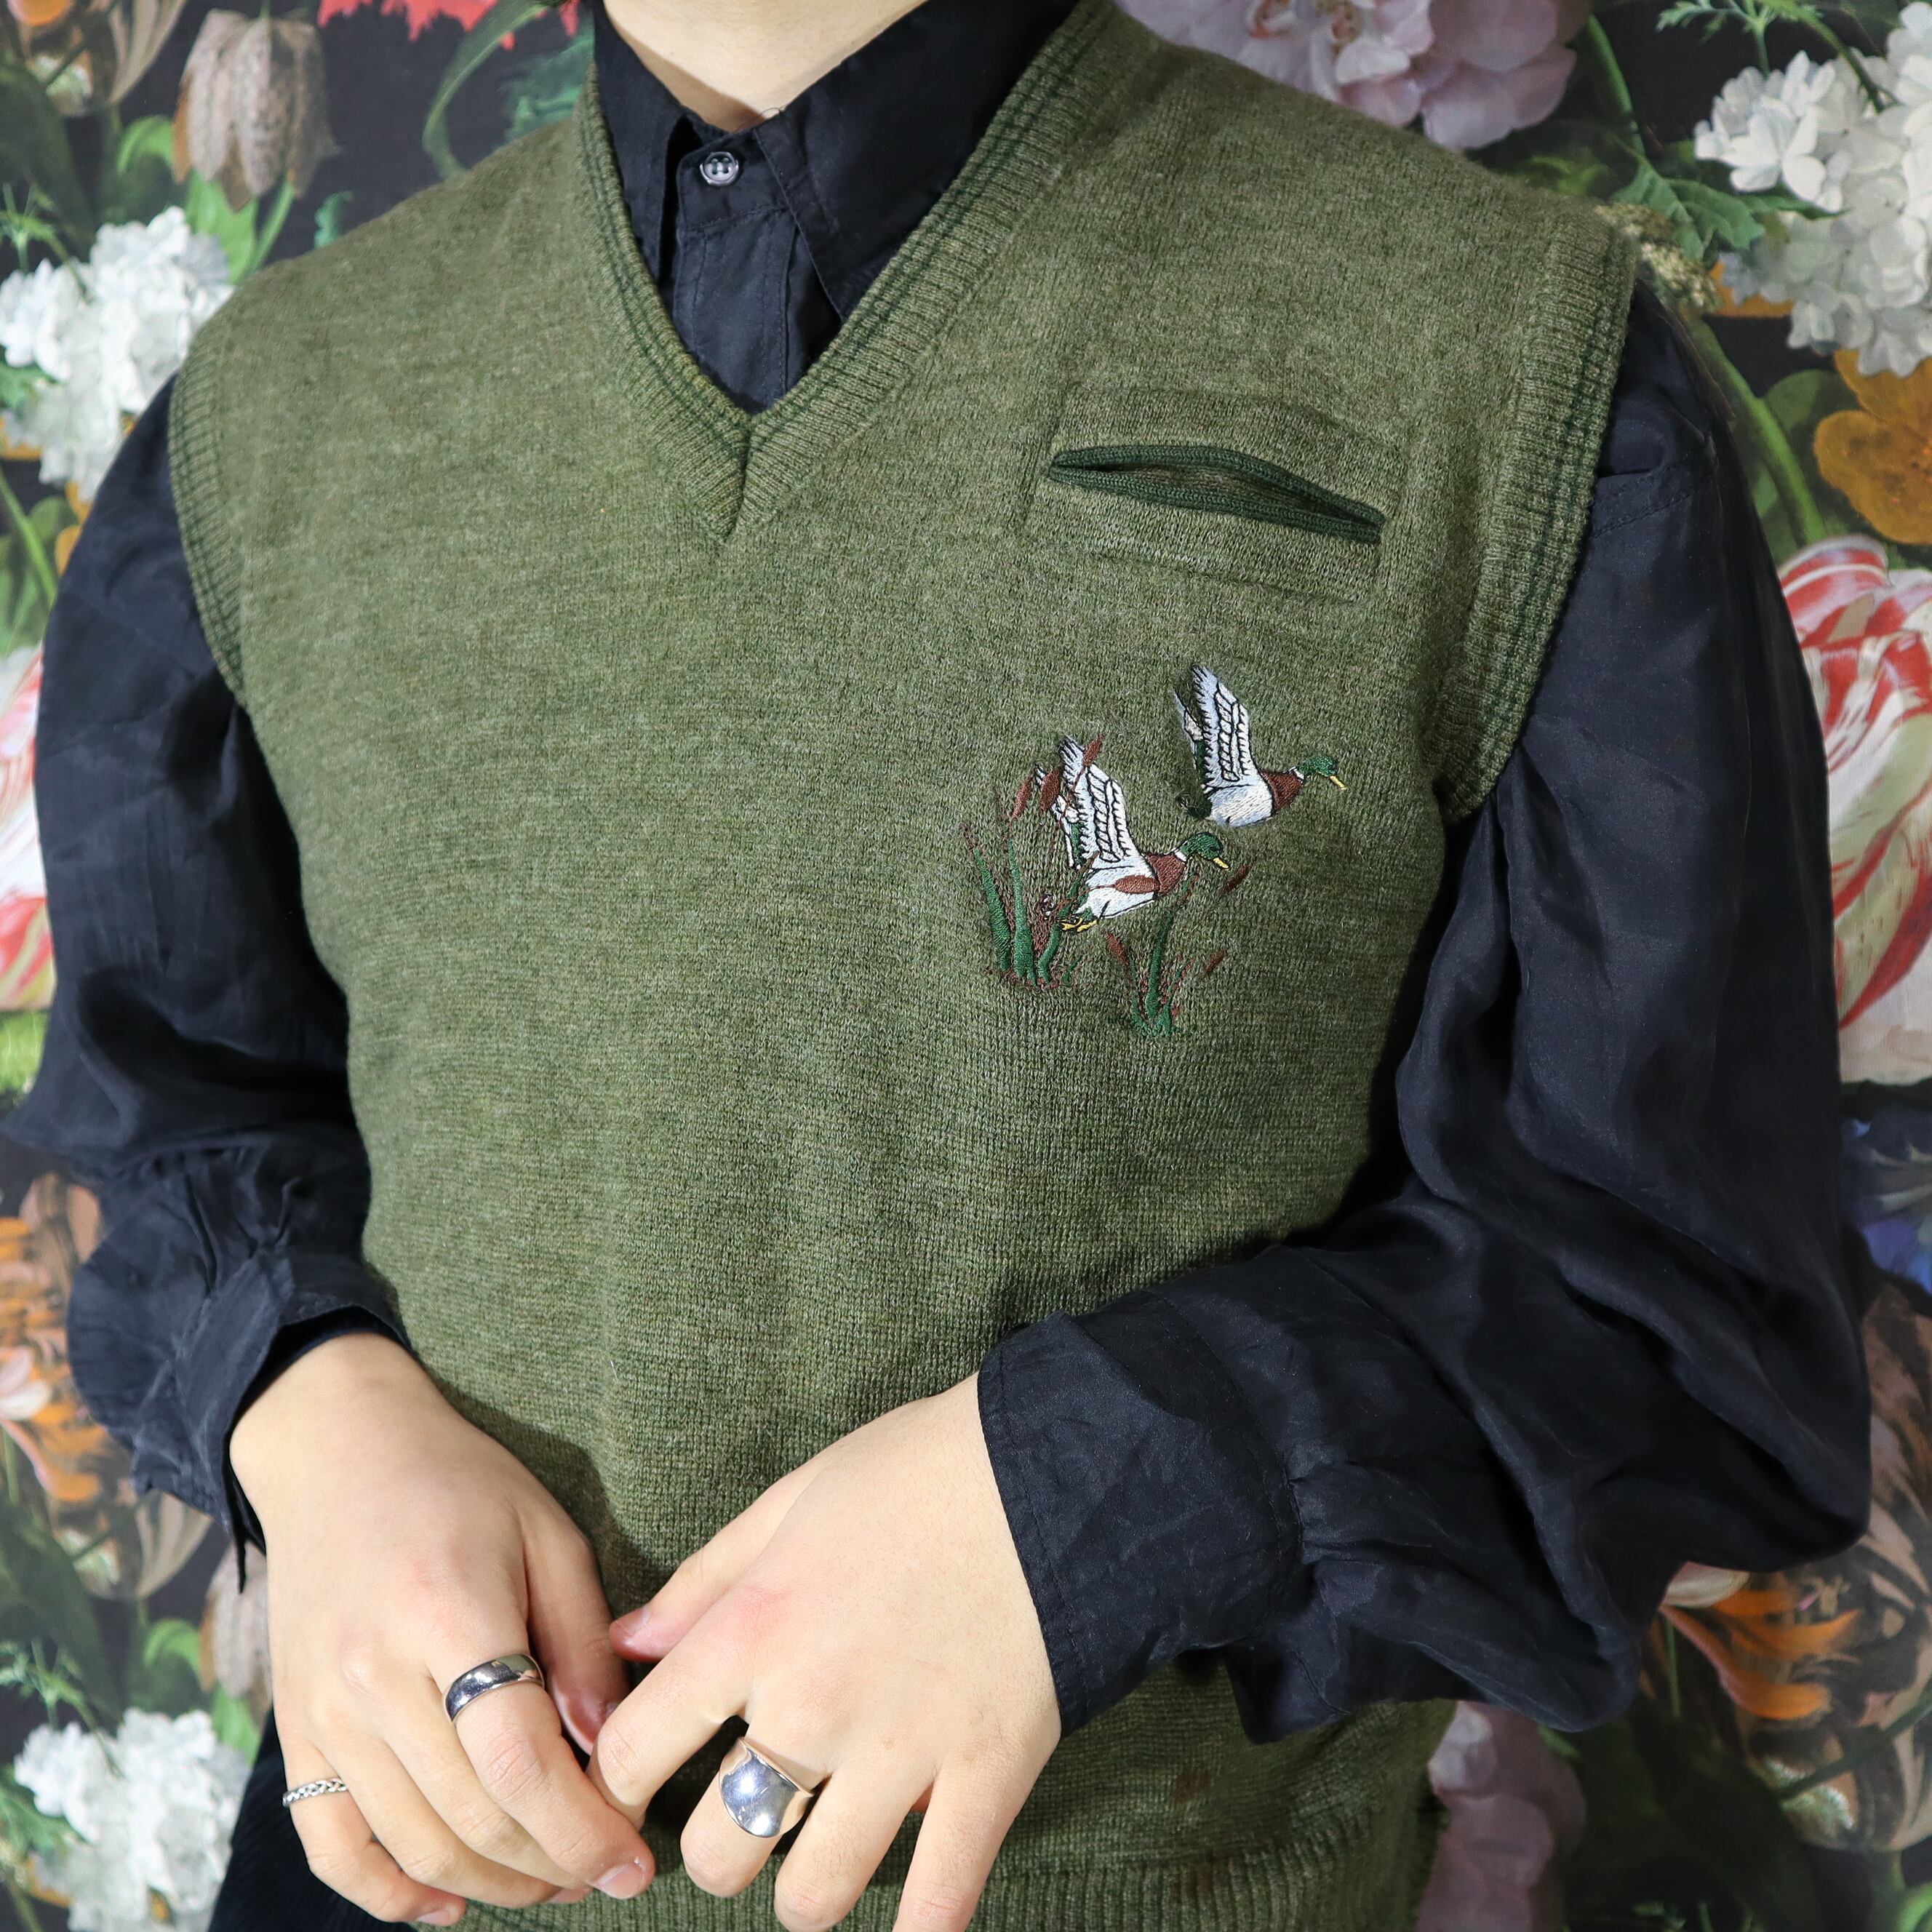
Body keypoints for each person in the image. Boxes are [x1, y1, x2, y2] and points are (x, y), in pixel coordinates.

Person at [6, 0, 1874, 1924]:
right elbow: (179, 1113)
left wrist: (1094, 1491)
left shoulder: (1509, 358)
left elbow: (1675, 1318)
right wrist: (312, 1406)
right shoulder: (267, 414)